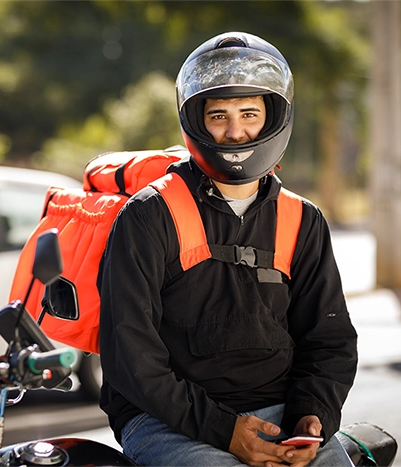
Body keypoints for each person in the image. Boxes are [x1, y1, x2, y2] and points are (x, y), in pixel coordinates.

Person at [98, 32, 358, 467]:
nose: (235, 132)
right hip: (165, 420)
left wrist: (313, 417)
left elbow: (329, 339)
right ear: (196, 122)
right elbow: (130, 354)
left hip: (281, 415)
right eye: (218, 115)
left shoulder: (302, 219)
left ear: (274, 116)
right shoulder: (149, 215)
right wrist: (225, 431)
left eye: (249, 114)